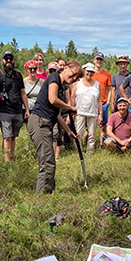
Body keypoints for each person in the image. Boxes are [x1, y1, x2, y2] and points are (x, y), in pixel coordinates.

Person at [27, 60, 82, 193]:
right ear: (66, 68)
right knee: (47, 162)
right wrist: (69, 107)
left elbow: (56, 114)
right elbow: (52, 99)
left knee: (49, 161)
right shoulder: (54, 77)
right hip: (39, 122)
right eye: (73, 74)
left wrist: (68, 131)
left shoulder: (62, 87)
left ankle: (49, 193)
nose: (73, 78)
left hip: (46, 123)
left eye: (77, 78)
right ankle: (42, 198)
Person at [0, 51, 31, 162]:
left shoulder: (18, 75)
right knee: (6, 136)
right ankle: (7, 161)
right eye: (6, 58)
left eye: (10, 58)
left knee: (13, 136)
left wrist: (27, 109)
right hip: (4, 111)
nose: (8, 60)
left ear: (14, 60)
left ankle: (12, 156)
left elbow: (23, 93)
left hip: (17, 110)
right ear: (2, 60)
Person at [71, 63, 102, 153]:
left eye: (92, 72)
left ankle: (90, 152)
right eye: (88, 71)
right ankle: (78, 151)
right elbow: (72, 98)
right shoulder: (77, 83)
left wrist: (100, 114)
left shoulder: (97, 84)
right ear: (84, 71)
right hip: (79, 112)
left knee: (92, 134)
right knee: (78, 133)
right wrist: (72, 110)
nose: (90, 73)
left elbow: (99, 100)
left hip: (93, 112)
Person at [91, 52, 112, 147]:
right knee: (91, 126)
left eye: (101, 60)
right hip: (92, 103)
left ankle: (102, 144)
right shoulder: (90, 73)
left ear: (102, 61)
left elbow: (110, 89)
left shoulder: (107, 74)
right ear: (94, 60)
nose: (99, 61)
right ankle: (90, 144)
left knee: (103, 126)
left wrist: (108, 102)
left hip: (103, 103)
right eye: (97, 59)